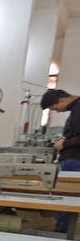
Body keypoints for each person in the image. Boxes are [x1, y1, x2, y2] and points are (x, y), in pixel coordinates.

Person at [40, 89, 80, 233]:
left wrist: (64, 144)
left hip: (74, 161)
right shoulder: (75, 109)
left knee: (67, 196)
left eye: (54, 108)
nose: (56, 111)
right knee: (67, 197)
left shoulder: (78, 109)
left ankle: (63, 231)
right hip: (72, 160)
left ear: (62, 100)